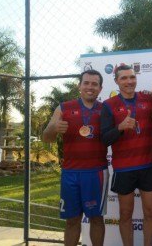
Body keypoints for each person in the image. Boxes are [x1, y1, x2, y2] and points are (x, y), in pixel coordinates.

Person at [42, 69, 108, 246]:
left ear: (100, 89)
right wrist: (54, 128)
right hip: (71, 173)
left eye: (94, 84)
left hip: (96, 172)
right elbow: (46, 137)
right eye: (86, 83)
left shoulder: (105, 109)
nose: (90, 87)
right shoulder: (64, 107)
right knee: (72, 220)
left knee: (96, 219)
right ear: (79, 86)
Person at [100, 65, 152, 246]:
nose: (129, 81)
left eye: (132, 77)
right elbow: (104, 139)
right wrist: (120, 127)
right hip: (124, 169)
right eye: (124, 78)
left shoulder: (148, 98)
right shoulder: (108, 105)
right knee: (125, 214)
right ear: (116, 81)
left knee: (150, 212)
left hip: (148, 165)